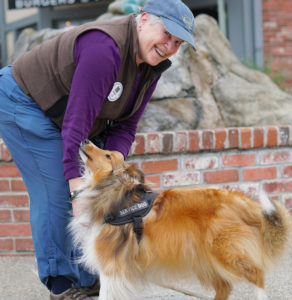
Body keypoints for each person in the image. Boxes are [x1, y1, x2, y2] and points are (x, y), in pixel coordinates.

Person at [0, 0, 195, 299]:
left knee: (103, 193)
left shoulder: (152, 65)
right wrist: (77, 190)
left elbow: (125, 127)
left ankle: (90, 278)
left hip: (68, 115)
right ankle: (61, 284)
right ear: (143, 20)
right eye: (167, 34)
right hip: (25, 102)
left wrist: (114, 167)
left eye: (178, 42)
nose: (170, 46)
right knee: (57, 192)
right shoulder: (104, 49)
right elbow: (76, 124)